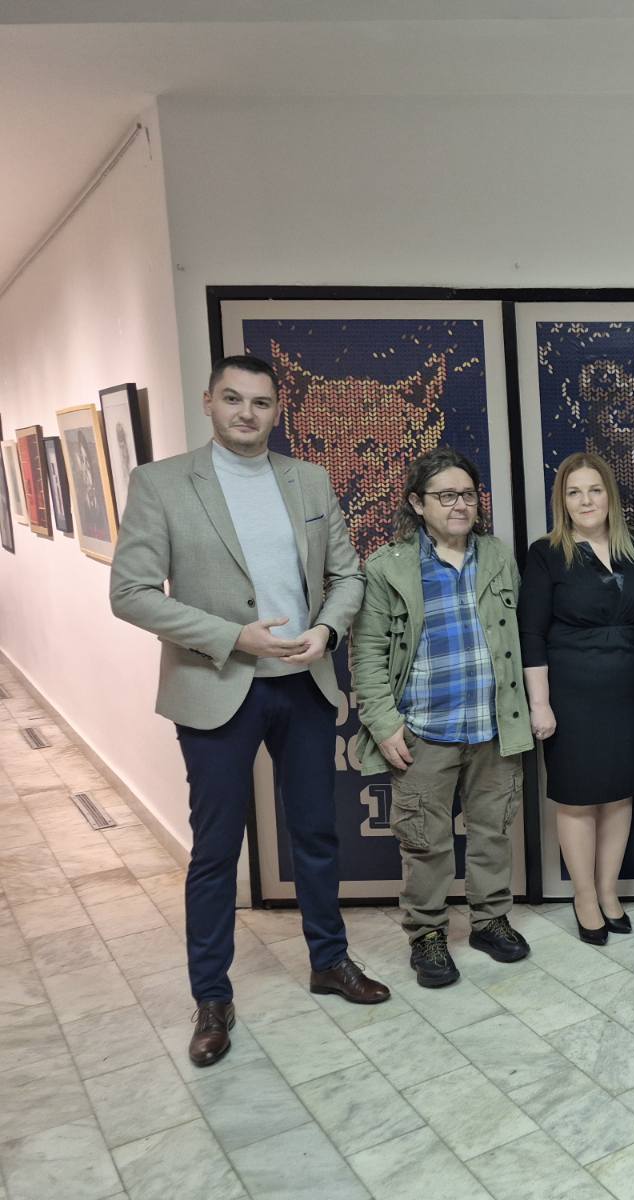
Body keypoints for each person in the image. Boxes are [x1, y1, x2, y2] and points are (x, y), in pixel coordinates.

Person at [109, 354, 389, 1068]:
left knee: (316, 833)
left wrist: (327, 630)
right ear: (209, 402)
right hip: (216, 686)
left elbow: (348, 575)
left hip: (303, 684)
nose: (247, 413)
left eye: (261, 402)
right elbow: (131, 593)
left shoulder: (309, 480)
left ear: (277, 410)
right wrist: (234, 636)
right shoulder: (161, 484)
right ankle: (212, 998)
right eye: (233, 399)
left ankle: (330, 961)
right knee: (215, 851)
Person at [348, 447, 533, 987]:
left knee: (493, 832)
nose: (459, 505)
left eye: (467, 495)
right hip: (424, 731)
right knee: (424, 841)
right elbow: (367, 653)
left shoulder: (496, 555)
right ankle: (427, 932)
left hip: (494, 727)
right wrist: (384, 723)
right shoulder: (388, 567)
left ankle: (489, 920)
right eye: (446, 495)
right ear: (417, 503)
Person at [520, 452, 634, 947]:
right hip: (571, 694)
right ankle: (583, 897)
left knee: (620, 793)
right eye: (574, 492)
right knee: (578, 798)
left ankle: (608, 891)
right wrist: (540, 704)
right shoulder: (546, 553)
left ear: (609, 495)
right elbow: (531, 634)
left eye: (594, 490)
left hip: (628, 692)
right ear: (562, 501)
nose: (586, 501)